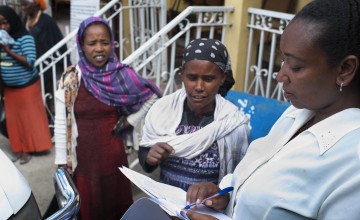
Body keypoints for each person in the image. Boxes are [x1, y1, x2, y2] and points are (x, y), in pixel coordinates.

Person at [183, 0, 360, 219]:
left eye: (295, 67)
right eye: (282, 60)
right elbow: (257, 180)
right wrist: (226, 194)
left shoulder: (353, 161)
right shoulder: (296, 113)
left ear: (344, 69)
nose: (280, 76)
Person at [54, 16, 161, 219]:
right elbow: (61, 122)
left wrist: (131, 121)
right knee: (88, 208)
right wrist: (62, 163)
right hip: (82, 159)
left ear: (112, 44)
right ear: (81, 45)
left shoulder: (122, 75)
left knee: (115, 206)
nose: (99, 48)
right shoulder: (71, 78)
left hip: (112, 156)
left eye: (104, 42)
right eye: (92, 43)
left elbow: (153, 94)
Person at [138, 38, 250, 191]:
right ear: (182, 73)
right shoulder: (163, 111)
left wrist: (219, 193)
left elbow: (239, 178)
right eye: (192, 78)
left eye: (208, 79)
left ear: (223, 78)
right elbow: (145, 155)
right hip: (166, 205)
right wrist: (150, 158)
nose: (199, 87)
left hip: (206, 209)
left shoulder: (232, 123)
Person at [0, 5, 52, 164]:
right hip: (9, 89)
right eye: (0, 24)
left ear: (13, 22)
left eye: (5, 23)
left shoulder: (25, 37)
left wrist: (8, 51)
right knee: (14, 122)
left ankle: (29, 150)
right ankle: (20, 149)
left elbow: (30, 62)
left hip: (27, 87)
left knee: (28, 120)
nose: (3, 27)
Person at [20, 0, 69, 118]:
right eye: (22, 5)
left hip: (47, 65)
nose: (23, 8)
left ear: (36, 4)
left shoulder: (47, 21)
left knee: (48, 95)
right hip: (31, 66)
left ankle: (50, 122)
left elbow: (59, 43)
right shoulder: (24, 21)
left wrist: (66, 66)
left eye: (26, 5)